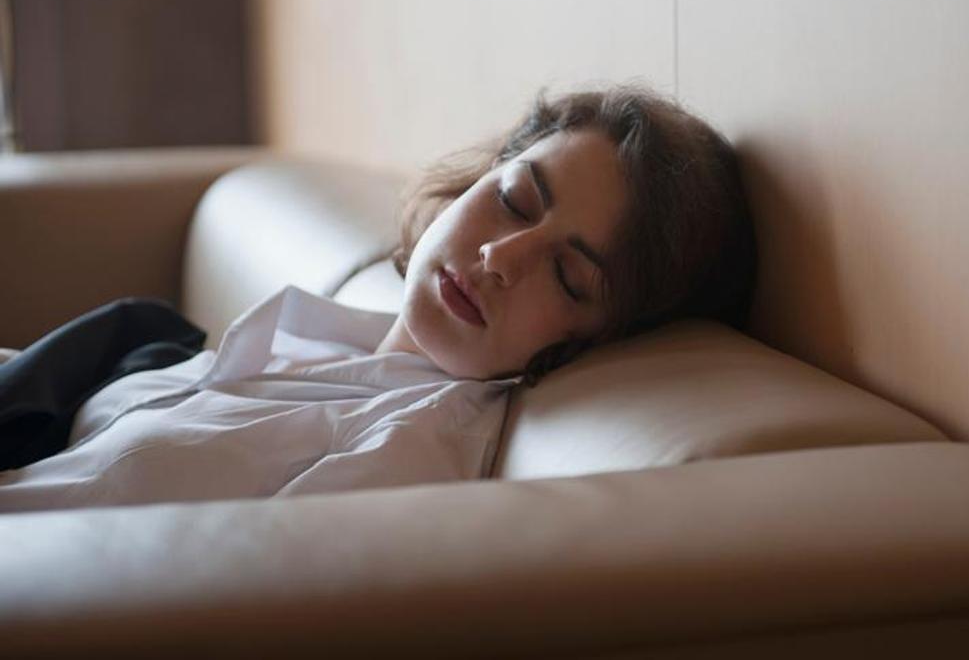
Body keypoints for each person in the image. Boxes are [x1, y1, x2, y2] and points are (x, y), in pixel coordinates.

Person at [0, 84, 757, 512]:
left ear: (596, 340)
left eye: (568, 278)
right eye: (517, 199)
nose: (499, 257)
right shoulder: (326, 334)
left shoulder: (405, 455)